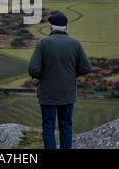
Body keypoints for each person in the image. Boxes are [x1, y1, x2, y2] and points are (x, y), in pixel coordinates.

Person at [28, 12, 91, 149]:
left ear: (51, 27)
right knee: (66, 126)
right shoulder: (75, 44)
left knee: (48, 128)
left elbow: (33, 69)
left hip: (47, 94)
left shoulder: (43, 43)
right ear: (66, 27)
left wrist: (42, 76)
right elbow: (86, 67)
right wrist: (71, 74)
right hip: (67, 93)